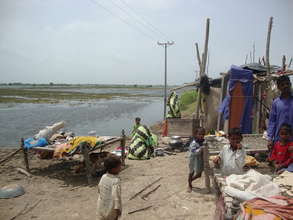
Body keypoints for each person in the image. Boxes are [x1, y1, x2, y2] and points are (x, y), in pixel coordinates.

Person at [267, 75, 293, 151]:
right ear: (279, 87)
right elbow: (272, 121)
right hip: (279, 141)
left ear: (290, 84)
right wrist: (270, 139)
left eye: (287, 84)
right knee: (278, 161)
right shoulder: (276, 103)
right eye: (282, 84)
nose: (285, 86)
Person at [97, 156, 122, 220]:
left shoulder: (104, 176)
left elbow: (99, 188)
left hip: (101, 207)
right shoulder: (116, 181)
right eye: (119, 166)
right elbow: (116, 197)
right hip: (111, 210)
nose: (120, 168)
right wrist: (118, 210)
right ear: (114, 168)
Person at [187, 127, 205, 192]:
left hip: (199, 159)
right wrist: (201, 148)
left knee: (199, 174)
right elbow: (194, 151)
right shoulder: (194, 142)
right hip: (193, 159)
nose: (201, 136)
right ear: (196, 134)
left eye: (203, 134)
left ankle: (190, 180)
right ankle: (189, 185)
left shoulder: (203, 141)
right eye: (199, 134)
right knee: (191, 171)